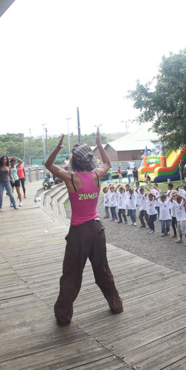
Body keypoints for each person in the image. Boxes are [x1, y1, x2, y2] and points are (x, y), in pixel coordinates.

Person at [44, 129, 123, 327]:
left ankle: (63, 317)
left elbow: (48, 165)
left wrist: (58, 148)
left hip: (79, 233)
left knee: (71, 274)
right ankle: (116, 305)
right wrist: (99, 142)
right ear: (89, 160)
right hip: (97, 230)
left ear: (75, 162)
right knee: (103, 270)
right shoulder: (97, 175)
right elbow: (107, 163)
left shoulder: (71, 179)